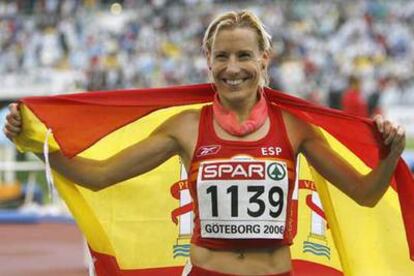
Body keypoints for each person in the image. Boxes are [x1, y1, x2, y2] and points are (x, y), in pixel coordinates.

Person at [3, 11, 406, 276]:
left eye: (244, 56)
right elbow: (100, 176)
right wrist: (39, 145)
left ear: (264, 59)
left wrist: (390, 154)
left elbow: (365, 194)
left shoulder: (295, 128)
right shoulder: (187, 127)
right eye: (222, 57)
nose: (233, 69)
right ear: (207, 60)